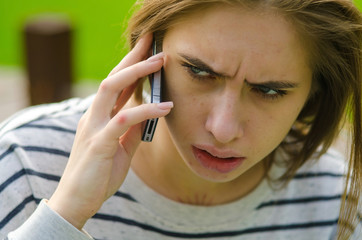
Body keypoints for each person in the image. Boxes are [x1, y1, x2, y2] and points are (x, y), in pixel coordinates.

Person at [0, 0, 361, 239]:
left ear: (315, 92)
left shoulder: (335, 204)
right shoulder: (25, 162)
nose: (222, 129)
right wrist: (64, 215)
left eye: (269, 91)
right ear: (149, 50)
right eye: (200, 72)